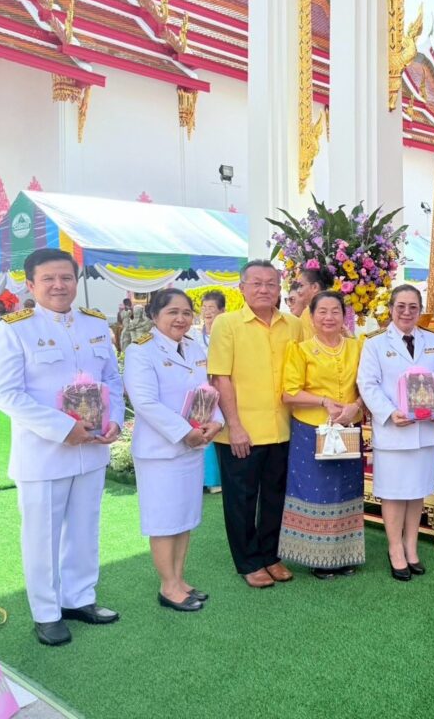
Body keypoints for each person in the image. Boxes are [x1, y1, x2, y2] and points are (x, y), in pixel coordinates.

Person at [0, 248, 125, 646]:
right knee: (42, 536)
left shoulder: (94, 324)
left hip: (92, 448)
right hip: (44, 453)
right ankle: (46, 613)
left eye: (66, 277)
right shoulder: (14, 329)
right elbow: (5, 394)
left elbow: (111, 379)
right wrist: (65, 429)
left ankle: (78, 598)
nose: (58, 285)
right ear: (31, 285)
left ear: (76, 281)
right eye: (48, 278)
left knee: (84, 529)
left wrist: (114, 419)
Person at [123, 289, 223, 613]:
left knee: (184, 518)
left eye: (186, 312)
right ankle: (168, 587)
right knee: (164, 520)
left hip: (192, 447)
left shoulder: (194, 347)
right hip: (161, 452)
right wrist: (185, 432)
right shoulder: (141, 351)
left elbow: (208, 391)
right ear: (155, 316)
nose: (181, 318)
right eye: (172, 312)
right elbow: (145, 402)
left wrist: (216, 423)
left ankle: (179, 579)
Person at [208, 260, 302, 588]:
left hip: (283, 428)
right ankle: (248, 561)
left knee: (276, 496)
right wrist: (234, 425)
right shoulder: (227, 324)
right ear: (242, 288)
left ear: (279, 289)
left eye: (271, 284)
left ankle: (271, 555)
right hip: (242, 431)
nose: (264, 289)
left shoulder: (293, 325)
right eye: (257, 283)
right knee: (242, 499)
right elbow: (220, 377)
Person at [359, 285, 434, 581]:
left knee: (416, 491)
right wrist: (389, 413)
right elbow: (367, 384)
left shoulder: (432, 340)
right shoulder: (374, 343)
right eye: (401, 306)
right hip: (394, 433)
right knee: (394, 493)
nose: (407, 312)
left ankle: (411, 547)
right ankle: (395, 549)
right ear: (391, 308)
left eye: (413, 307)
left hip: (425, 430)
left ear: (420, 309)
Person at [278, 290, 366, 578]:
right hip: (312, 431)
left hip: (348, 428)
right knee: (316, 491)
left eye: (335, 311)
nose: (329, 317)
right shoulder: (301, 350)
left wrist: (356, 406)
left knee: (346, 489)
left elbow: (369, 385)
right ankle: (317, 556)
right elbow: (289, 393)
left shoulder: (358, 348)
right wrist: (323, 401)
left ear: (344, 316)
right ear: (312, 317)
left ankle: (345, 554)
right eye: (322, 312)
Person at [192, 290, 227, 494]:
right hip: (202, 391)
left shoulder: (227, 334)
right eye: (204, 307)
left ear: (222, 311)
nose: (207, 312)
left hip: (223, 388)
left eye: (211, 308)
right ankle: (206, 480)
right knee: (203, 428)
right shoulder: (194, 334)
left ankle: (217, 479)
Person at [294, 267, 335, 341]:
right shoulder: (306, 312)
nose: (298, 290)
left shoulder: (331, 311)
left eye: (301, 286)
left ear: (315, 287)